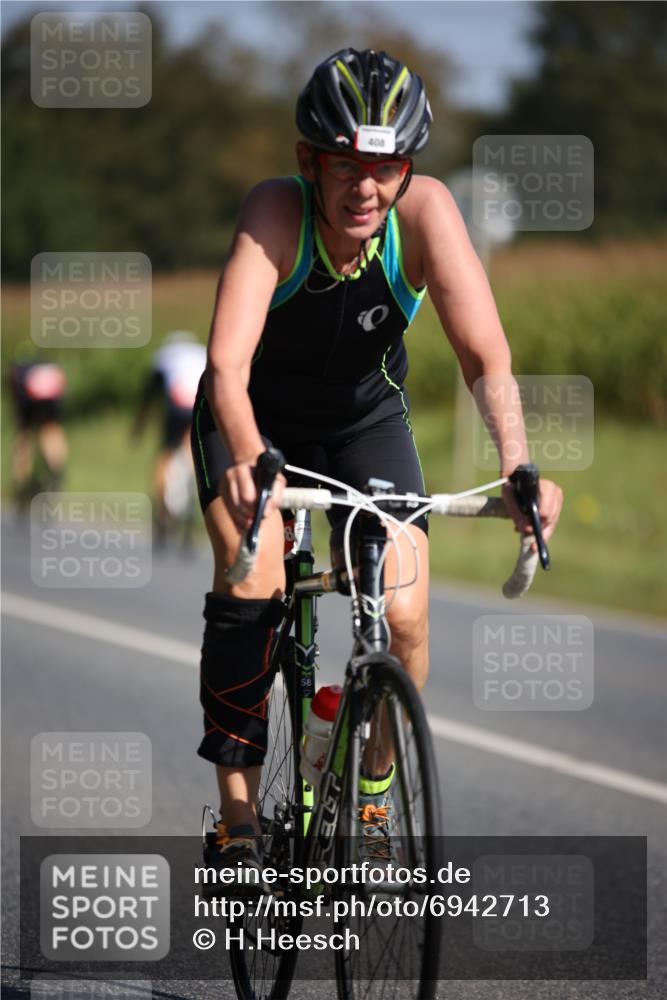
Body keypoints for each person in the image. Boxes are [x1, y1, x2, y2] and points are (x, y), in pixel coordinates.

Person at [192, 48, 563, 872]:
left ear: (406, 168)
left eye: (385, 166)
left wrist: (518, 464)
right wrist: (254, 462)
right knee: (250, 587)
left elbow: (485, 358)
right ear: (308, 162)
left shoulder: (425, 215)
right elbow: (224, 368)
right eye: (345, 166)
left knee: (401, 606)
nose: (365, 188)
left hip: (363, 423)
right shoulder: (274, 213)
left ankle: (370, 793)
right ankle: (238, 819)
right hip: (251, 418)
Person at [132, 331, 207, 544]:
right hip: (198, 400)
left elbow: (148, 396)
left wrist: (139, 428)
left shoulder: (163, 355)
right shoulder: (200, 352)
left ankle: (162, 509)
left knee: (164, 454)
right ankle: (193, 488)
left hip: (176, 401)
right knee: (191, 451)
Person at [8, 343, 68, 502]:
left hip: (26, 391)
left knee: (24, 434)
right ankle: (55, 473)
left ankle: (21, 481)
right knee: (50, 428)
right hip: (50, 387)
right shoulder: (50, 365)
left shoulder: (17, 369)